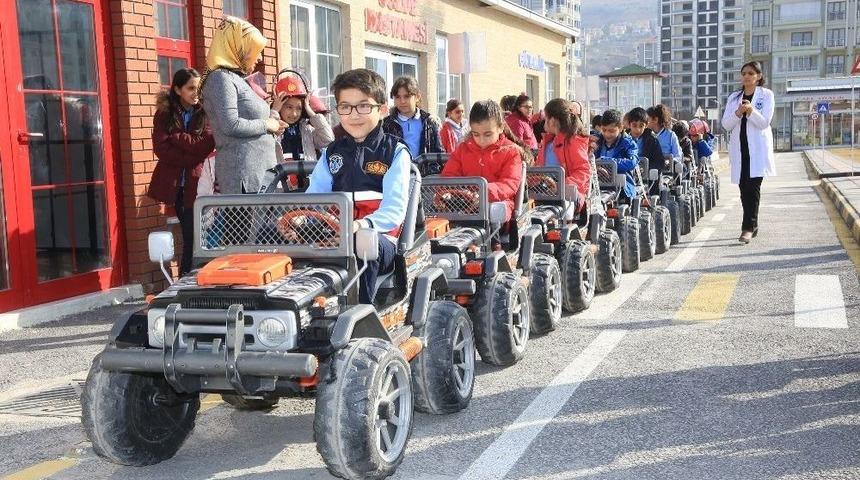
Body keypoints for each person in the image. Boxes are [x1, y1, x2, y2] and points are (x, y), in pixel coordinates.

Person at [303, 69, 411, 304]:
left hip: (379, 239)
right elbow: (313, 199)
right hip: (334, 233)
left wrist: (359, 225)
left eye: (363, 106)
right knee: (269, 234)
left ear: (382, 110)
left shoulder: (394, 152)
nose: (353, 115)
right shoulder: (331, 153)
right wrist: (301, 220)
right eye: (345, 107)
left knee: (360, 240)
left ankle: (359, 310)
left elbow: (394, 210)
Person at [201, 16, 286, 195]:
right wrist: (266, 125)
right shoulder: (220, 79)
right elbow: (230, 125)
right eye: (256, 51)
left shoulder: (235, 78)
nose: (260, 57)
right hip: (244, 178)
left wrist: (273, 124)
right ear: (238, 47)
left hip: (260, 176)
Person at [148, 68, 215, 275]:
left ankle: (194, 276)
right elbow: (161, 149)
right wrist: (190, 155)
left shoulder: (206, 111)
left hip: (199, 183)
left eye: (199, 88)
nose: (196, 93)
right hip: (177, 186)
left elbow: (205, 145)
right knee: (190, 236)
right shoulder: (164, 114)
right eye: (191, 88)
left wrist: (176, 137)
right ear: (178, 90)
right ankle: (188, 278)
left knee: (198, 236)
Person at [442, 100, 524, 222]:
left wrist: (482, 193)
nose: (481, 140)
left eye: (488, 135)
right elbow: (449, 176)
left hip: (497, 204)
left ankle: (494, 236)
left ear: (501, 128)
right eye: (476, 134)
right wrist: (447, 192)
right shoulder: (463, 149)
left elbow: (509, 184)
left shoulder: (511, 151)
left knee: (494, 211)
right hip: (465, 203)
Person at [721, 61, 775, 243]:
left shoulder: (766, 95)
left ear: (758, 76)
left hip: (757, 151)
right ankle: (753, 224)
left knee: (753, 188)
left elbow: (764, 123)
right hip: (740, 150)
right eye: (744, 73)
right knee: (744, 189)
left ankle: (747, 228)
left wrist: (751, 111)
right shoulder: (734, 97)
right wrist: (738, 112)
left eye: (751, 73)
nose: (746, 76)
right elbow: (726, 124)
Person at [535, 98, 591, 212]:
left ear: (552, 120)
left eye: (545, 118)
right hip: (545, 192)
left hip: (567, 196)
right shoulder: (547, 142)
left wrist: (561, 186)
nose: (543, 122)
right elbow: (538, 169)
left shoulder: (573, 141)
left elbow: (583, 170)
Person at [271, 77, 334, 163]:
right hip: (280, 172)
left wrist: (310, 111)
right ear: (280, 106)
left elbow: (328, 139)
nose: (294, 114)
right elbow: (265, 140)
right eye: (289, 107)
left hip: (307, 172)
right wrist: (274, 112)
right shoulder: (274, 131)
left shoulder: (307, 131)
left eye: (299, 108)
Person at [382, 76, 442, 159]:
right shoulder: (386, 124)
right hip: (396, 167)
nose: (402, 101)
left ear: (417, 97)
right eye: (398, 97)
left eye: (407, 96)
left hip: (424, 167)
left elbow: (439, 154)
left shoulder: (429, 123)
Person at [595, 109, 639, 200]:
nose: (607, 134)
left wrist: (606, 162)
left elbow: (632, 162)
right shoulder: (596, 141)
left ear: (621, 128)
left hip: (622, 188)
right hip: (598, 186)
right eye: (604, 130)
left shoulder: (628, 143)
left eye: (611, 131)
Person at [625, 107, 665, 175]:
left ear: (646, 125)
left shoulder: (652, 140)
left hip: (646, 177)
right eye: (634, 125)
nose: (638, 129)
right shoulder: (623, 139)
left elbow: (658, 161)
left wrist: (647, 170)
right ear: (629, 124)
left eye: (641, 126)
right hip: (626, 175)